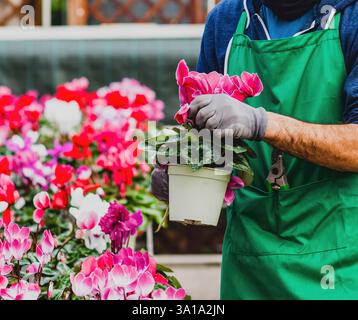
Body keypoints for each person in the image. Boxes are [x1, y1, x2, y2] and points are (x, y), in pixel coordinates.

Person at [151, 0, 358, 299]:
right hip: (250, 263)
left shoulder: (351, 17)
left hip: (338, 255)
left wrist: (262, 123)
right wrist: (186, 173)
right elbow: (210, 143)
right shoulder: (227, 20)